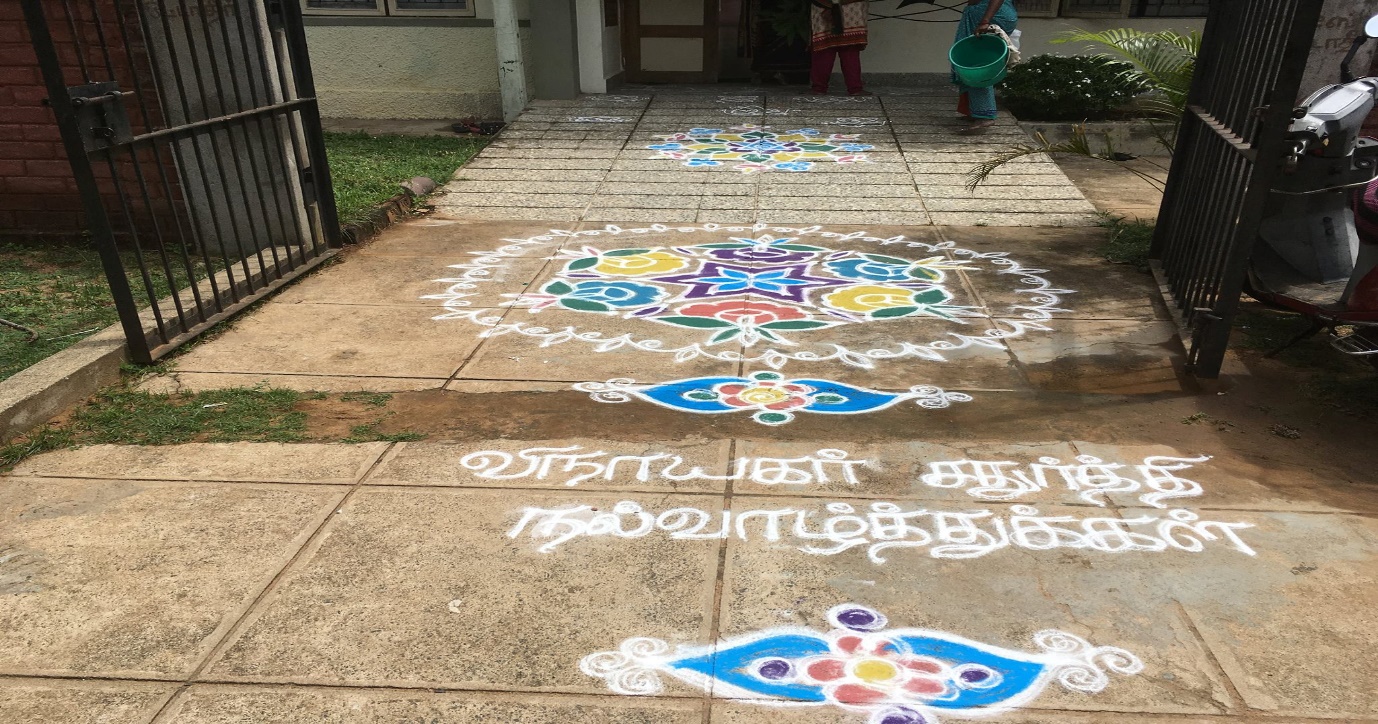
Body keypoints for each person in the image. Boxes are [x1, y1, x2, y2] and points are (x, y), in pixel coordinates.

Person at [953, 0, 1017, 132]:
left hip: (988, 15)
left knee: (976, 63)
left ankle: (984, 115)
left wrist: (985, 21)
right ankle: (975, 111)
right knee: (969, 58)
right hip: (987, 13)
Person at [809, 0, 870, 95]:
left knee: (825, 48)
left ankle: (819, 88)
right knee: (848, 49)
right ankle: (855, 88)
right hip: (850, 8)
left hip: (827, 6)